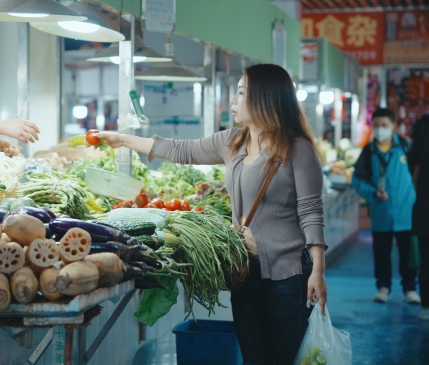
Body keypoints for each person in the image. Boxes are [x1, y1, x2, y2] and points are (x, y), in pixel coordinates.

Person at [98, 64, 327, 365]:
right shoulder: (233, 142)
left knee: (285, 358)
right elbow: (182, 150)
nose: (233, 100)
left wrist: (318, 272)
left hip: (288, 276)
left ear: (265, 98)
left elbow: (311, 211)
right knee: (254, 359)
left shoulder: (298, 150)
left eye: (242, 92)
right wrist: (124, 139)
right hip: (244, 272)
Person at [351, 109, 418, 304]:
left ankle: (410, 289)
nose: (380, 130)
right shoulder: (368, 152)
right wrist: (372, 193)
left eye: (385, 125)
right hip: (381, 211)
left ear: (393, 126)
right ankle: (383, 287)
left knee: (408, 253)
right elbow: (357, 180)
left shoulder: (406, 147)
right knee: (381, 253)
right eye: (377, 125)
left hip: (406, 211)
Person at [408, 113, 429, 319]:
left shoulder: (422, 130)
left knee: (426, 261)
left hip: (424, 211)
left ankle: (426, 306)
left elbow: (409, 163)